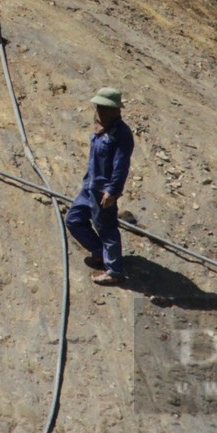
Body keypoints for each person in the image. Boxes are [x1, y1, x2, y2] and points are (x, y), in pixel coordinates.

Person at [65, 87, 134, 286]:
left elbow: (121, 166)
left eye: (104, 107)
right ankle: (99, 252)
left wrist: (112, 191)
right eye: (98, 106)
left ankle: (115, 270)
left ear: (115, 110)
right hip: (89, 187)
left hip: (103, 192)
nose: (99, 110)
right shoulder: (102, 127)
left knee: (107, 229)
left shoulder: (121, 134)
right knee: (74, 220)